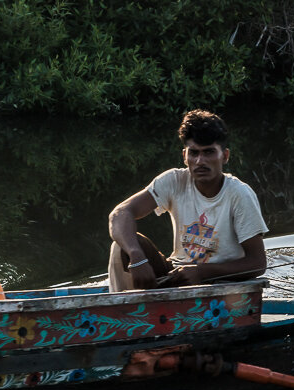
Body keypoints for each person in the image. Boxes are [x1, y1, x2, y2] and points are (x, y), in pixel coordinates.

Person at [108, 109, 268, 292]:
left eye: (209, 152)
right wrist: (137, 257)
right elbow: (119, 214)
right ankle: (124, 310)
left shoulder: (239, 194)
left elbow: (257, 263)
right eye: (194, 153)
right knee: (121, 247)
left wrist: (203, 272)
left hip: (221, 284)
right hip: (177, 274)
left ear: (225, 156)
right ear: (185, 156)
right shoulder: (174, 181)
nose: (200, 161)